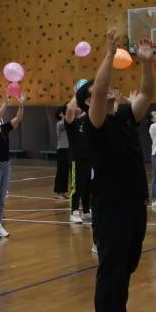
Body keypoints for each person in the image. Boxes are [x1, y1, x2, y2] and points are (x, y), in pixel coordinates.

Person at [82, 30, 154, 312]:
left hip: (135, 206)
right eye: (96, 91)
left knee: (127, 264)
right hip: (110, 208)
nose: (108, 88)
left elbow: (146, 94)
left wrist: (147, 64)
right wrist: (109, 54)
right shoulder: (94, 123)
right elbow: (98, 94)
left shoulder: (125, 116)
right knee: (111, 267)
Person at [0, 92, 25, 239]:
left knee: (2, 198)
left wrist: (21, 105)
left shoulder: (5, 128)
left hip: (5, 166)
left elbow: (18, 119)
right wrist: (4, 104)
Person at [65, 92, 92, 224]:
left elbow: (92, 109)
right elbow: (70, 109)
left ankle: (86, 211)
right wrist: (77, 94)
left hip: (88, 158)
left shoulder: (85, 121)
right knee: (77, 187)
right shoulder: (70, 123)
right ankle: (74, 211)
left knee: (88, 186)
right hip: (77, 158)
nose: (77, 107)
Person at [53, 107, 70, 199]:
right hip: (62, 149)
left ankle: (64, 191)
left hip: (68, 149)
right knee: (60, 171)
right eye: (63, 112)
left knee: (66, 172)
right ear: (60, 114)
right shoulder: (60, 124)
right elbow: (66, 122)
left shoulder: (67, 123)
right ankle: (57, 192)